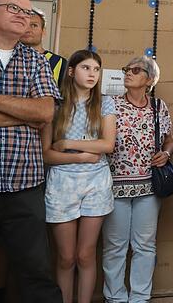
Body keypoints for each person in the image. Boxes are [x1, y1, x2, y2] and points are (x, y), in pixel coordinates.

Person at [0, 0, 62, 303]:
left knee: (37, 275)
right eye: (14, 7)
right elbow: (33, 114)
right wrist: (21, 114)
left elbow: (44, 113)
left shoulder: (35, 60)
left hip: (24, 185)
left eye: (28, 12)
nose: (22, 15)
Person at [42, 49, 117, 303]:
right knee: (66, 257)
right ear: (72, 71)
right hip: (62, 182)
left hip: (96, 182)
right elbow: (47, 155)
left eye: (96, 69)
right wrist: (81, 155)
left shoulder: (105, 102)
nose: (92, 74)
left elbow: (107, 145)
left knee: (86, 255)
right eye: (86, 68)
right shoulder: (55, 103)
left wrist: (67, 143)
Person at [103, 56, 173, 303]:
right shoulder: (110, 105)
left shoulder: (159, 107)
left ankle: (140, 298)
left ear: (150, 80)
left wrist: (165, 154)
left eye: (135, 70)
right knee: (115, 247)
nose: (128, 73)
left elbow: (170, 139)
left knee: (145, 246)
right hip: (115, 186)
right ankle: (115, 298)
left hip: (149, 187)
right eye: (126, 69)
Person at [21, 7, 67, 87]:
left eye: (34, 25)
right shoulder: (6, 58)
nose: (28, 29)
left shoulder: (59, 62)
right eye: (24, 25)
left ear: (43, 31)